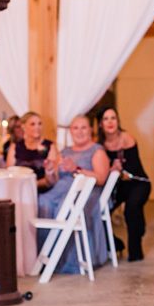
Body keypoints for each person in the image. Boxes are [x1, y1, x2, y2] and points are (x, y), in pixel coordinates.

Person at [36, 115, 110, 274]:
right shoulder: (65, 151)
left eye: (83, 127)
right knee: (42, 202)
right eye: (75, 128)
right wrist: (49, 170)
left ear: (90, 129)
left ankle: (69, 261)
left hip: (85, 193)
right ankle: (44, 257)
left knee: (66, 206)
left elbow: (101, 178)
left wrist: (76, 168)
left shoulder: (97, 150)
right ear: (70, 131)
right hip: (60, 189)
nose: (80, 131)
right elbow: (53, 179)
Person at [97, 106, 151, 262]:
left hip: (138, 183)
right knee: (100, 210)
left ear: (118, 121)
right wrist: (110, 171)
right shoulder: (99, 144)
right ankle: (116, 245)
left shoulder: (126, 138)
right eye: (106, 119)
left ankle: (136, 250)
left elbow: (133, 169)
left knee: (132, 208)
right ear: (100, 123)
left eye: (113, 118)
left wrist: (117, 171)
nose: (110, 122)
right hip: (117, 185)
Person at [7, 111, 59, 193]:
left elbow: (52, 181)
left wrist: (32, 185)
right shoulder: (15, 147)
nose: (37, 127)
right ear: (23, 126)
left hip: (41, 191)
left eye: (40, 124)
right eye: (33, 124)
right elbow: (10, 174)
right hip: (19, 189)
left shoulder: (50, 146)